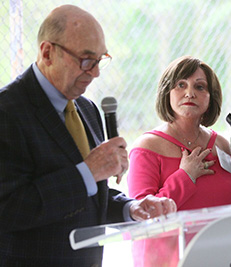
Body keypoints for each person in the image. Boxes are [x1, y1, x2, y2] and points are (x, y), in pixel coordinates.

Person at [0, 5, 176, 266]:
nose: (95, 73)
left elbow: (86, 196)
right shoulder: (7, 111)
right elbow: (9, 208)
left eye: (100, 60)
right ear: (47, 52)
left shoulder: (87, 108)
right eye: (86, 60)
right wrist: (89, 172)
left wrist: (130, 208)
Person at [127, 55, 231, 266]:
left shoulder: (221, 144)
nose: (190, 93)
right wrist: (185, 176)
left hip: (222, 258)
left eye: (200, 87)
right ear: (167, 92)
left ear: (211, 97)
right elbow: (142, 216)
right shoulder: (146, 147)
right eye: (181, 85)